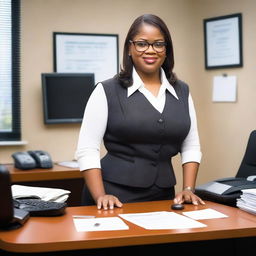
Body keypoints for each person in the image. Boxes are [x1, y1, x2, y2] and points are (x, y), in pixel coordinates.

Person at [75, 14, 205, 210]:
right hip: (114, 195)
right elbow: (87, 149)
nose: (150, 50)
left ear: (166, 49)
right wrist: (101, 195)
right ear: (129, 47)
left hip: (164, 195)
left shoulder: (182, 91)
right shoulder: (107, 90)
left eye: (158, 44)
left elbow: (191, 145)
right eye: (142, 44)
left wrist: (188, 188)